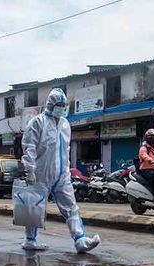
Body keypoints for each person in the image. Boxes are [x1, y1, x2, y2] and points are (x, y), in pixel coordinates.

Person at [21, 88, 100, 253]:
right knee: (35, 208)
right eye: (59, 104)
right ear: (50, 104)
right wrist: (29, 170)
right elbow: (29, 148)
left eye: (64, 105)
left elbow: (66, 149)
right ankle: (30, 240)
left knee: (71, 206)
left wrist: (68, 171)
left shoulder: (65, 124)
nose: (62, 107)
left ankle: (80, 239)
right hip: (41, 174)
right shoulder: (37, 122)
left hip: (61, 175)